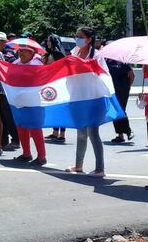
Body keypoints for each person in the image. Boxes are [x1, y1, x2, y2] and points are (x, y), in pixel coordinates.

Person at [66, 27, 105, 177]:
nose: (77, 39)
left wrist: (89, 67)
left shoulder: (97, 55)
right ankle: (78, 165)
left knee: (93, 133)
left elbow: (103, 75)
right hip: (78, 97)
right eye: (76, 36)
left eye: (81, 36)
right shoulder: (74, 52)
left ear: (89, 39)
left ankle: (100, 168)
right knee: (81, 133)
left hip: (93, 98)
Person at [11, 44, 47, 165]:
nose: (21, 53)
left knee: (35, 127)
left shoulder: (37, 64)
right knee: (21, 126)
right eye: (20, 50)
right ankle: (26, 153)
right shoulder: (16, 63)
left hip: (34, 101)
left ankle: (41, 156)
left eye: (24, 51)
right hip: (20, 100)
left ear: (32, 53)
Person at [0, 31, 19, 150]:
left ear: (3, 43)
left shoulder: (9, 56)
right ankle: (2, 140)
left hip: (6, 90)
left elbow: (12, 71)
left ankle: (15, 139)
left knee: (8, 115)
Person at [44, 33, 68, 143]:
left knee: (61, 109)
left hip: (59, 84)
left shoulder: (58, 54)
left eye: (49, 41)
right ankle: (55, 132)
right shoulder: (50, 53)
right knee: (54, 109)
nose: (47, 43)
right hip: (51, 84)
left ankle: (62, 134)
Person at [108, 57, 135, 143]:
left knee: (120, 109)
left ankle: (128, 131)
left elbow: (132, 75)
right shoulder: (107, 61)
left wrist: (127, 86)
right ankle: (120, 135)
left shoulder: (123, 61)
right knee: (114, 111)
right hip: (112, 90)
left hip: (123, 90)